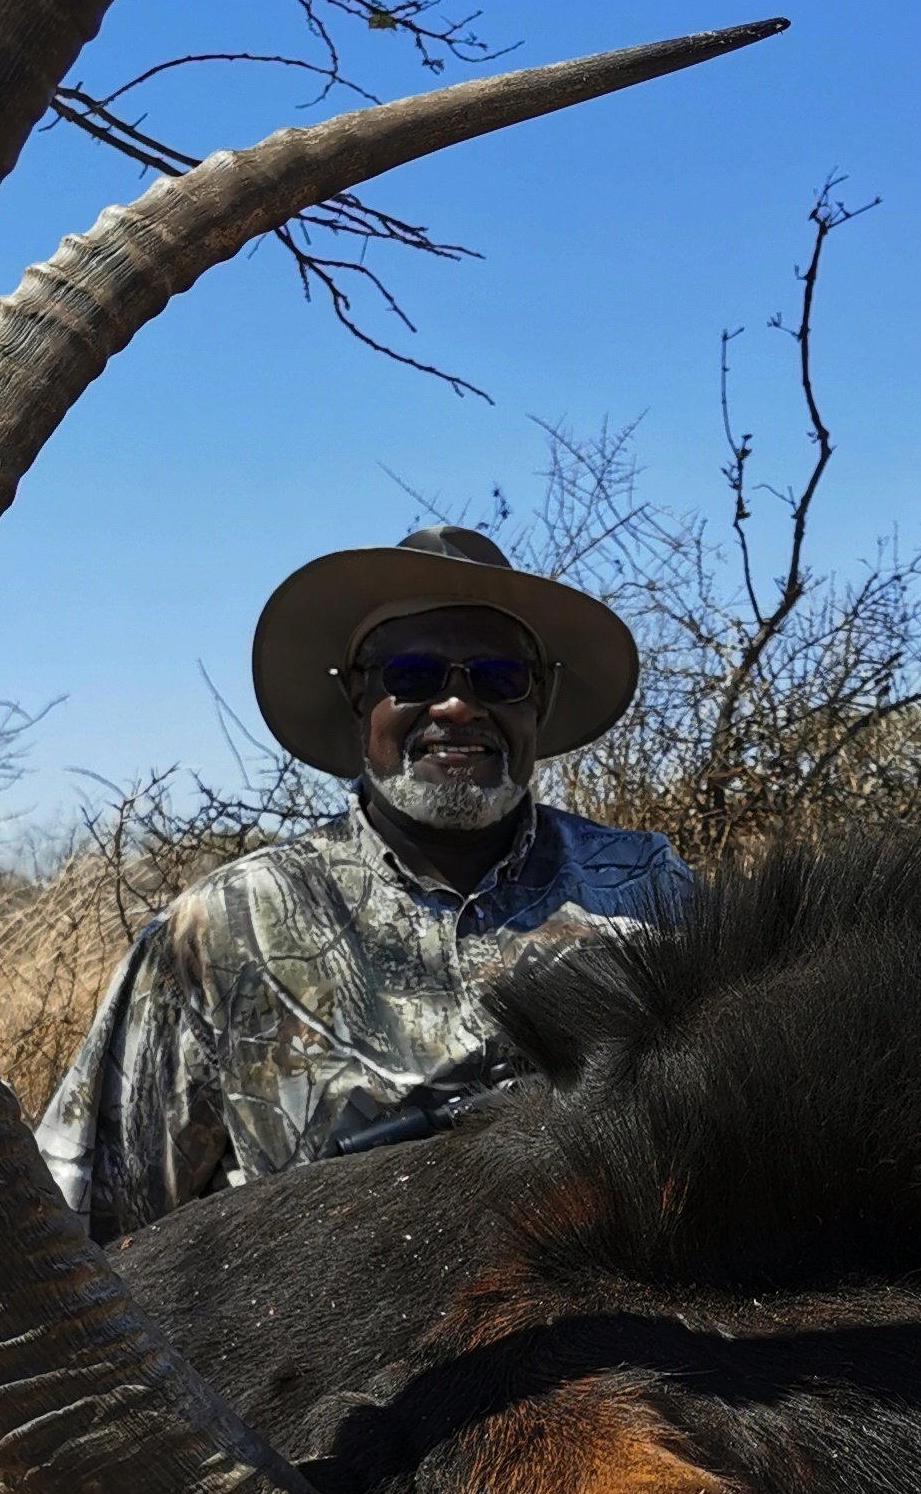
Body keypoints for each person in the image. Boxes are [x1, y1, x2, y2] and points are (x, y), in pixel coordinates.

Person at [35, 524, 688, 1239]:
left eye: (499, 678)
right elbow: (89, 1229)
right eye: (413, 676)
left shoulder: (649, 888)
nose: (458, 706)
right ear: (356, 698)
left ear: (539, 701)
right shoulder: (222, 925)